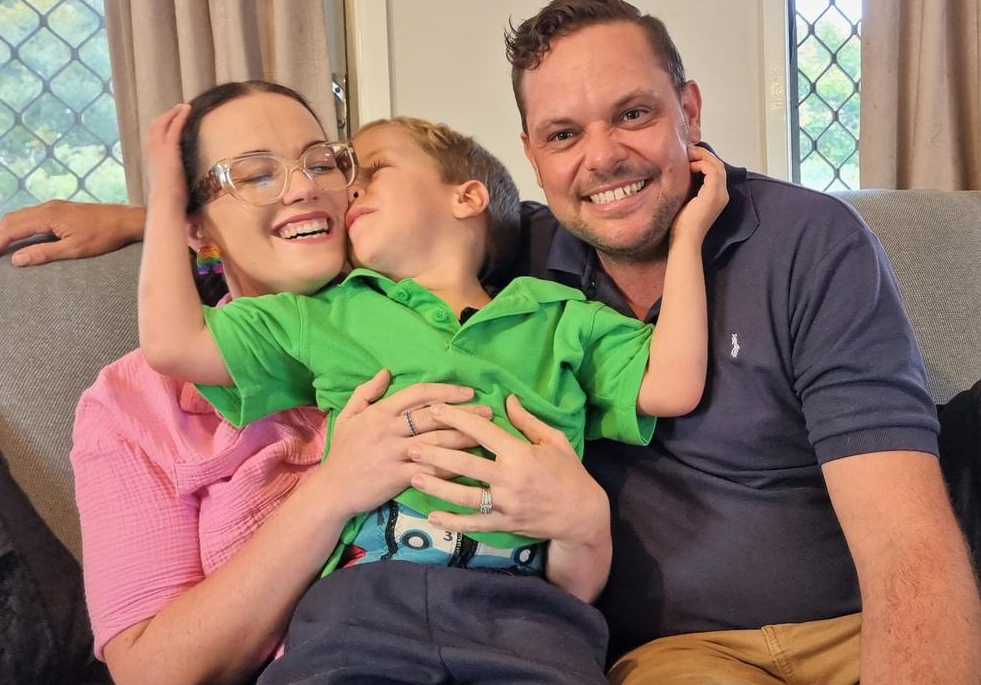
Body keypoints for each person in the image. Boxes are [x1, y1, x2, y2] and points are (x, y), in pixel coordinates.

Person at [0, 0, 981, 685]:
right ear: (530, 150)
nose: (599, 157)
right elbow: (315, 241)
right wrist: (156, 222)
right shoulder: (491, 258)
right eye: (562, 133)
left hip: (720, 630)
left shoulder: (603, 268)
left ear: (689, 109)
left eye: (634, 115)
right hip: (578, 650)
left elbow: (898, 533)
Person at [139, 102, 726, 579]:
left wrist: (687, 240)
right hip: (368, 603)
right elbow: (173, 344)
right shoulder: (325, 314)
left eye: (371, 174)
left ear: (466, 198)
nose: (346, 193)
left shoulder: (557, 315)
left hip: (521, 612)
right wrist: (164, 203)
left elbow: (672, 387)